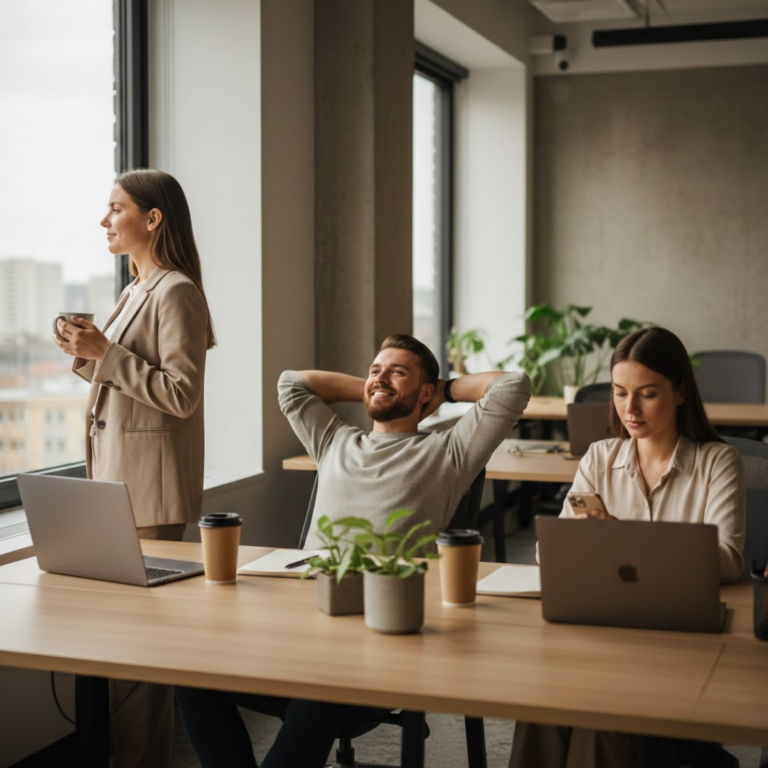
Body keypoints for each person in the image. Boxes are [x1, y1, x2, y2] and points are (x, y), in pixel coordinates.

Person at [175, 333, 532, 768]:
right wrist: (377, 385)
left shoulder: (449, 452)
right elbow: (291, 383)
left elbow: (513, 386)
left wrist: (443, 390)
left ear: (425, 393)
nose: (380, 378)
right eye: (374, 369)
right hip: (298, 622)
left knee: (323, 689)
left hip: (377, 633)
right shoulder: (333, 440)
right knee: (188, 673)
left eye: (397, 372)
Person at [509, 326, 746, 768]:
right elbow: (549, 552)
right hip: (602, 631)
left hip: (679, 640)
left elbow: (728, 560)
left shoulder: (718, 461)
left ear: (679, 393)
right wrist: (585, 540)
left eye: (647, 393)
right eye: (619, 393)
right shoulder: (599, 456)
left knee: (602, 717)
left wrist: (620, 542)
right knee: (540, 707)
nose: (629, 408)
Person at [53, 168, 216, 768]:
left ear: (152, 219)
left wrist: (106, 354)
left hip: (151, 492)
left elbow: (180, 395)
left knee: (141, 659)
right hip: (119, 486)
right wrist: (84, 352)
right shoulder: (135, 288)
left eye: (115, 208)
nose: (104, 220)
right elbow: (119, 375)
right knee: (130, 653)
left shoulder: (176, 291)